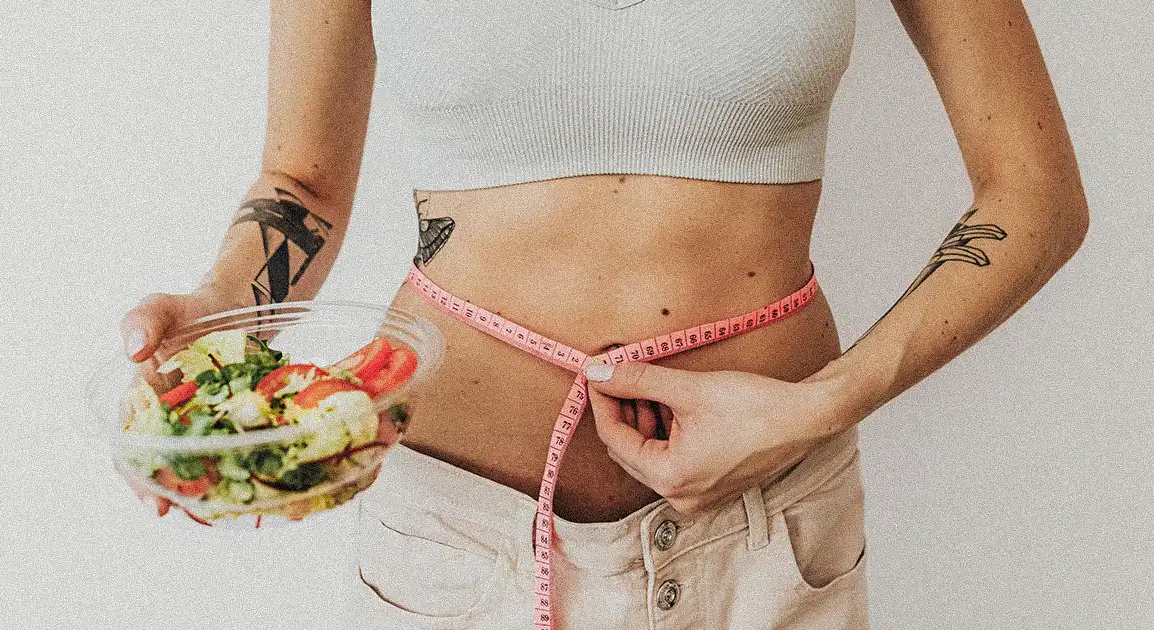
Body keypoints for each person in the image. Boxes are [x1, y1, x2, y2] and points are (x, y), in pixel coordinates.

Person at [121, 1, 1088, 628]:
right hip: (454, 544)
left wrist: (823, 402)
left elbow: (1033, 197)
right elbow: (302, 183)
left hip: (764, 540)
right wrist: (220, 322)